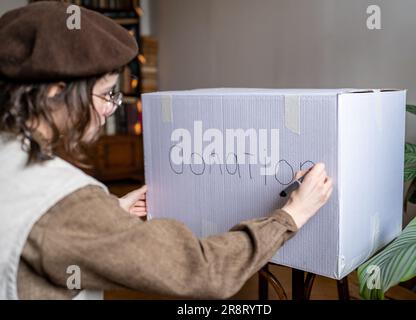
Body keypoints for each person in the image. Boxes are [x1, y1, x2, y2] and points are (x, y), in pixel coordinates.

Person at [0, 2, 333, 300]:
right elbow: (204, 273)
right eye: (105, 95)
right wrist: (290, 216)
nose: (110, 109)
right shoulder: (65, 204)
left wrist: (110, 213)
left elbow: (45, 233)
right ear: (55, 94)